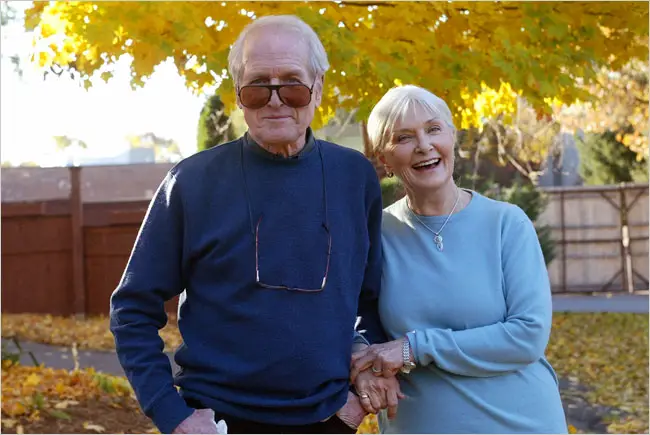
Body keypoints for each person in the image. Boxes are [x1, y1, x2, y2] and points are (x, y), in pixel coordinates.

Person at [110, 15, 401, 434]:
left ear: (317, 87)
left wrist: (355, 402)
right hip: (216, 421)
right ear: (239, 95)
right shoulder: (192, 181)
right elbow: (132, 308)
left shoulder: (354, 177)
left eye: (293, 85)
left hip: (330, 419)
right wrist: (172, 416)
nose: (275, 100)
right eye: (258, 86)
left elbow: (370, 301)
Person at [349, 84, 568, 434]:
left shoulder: (506, 223)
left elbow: (528, 334)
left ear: (452, 137)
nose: (424, 145)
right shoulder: (375, 234)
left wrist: (413, 347)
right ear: (384, 159)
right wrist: (363, 367)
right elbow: (348, 317)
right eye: (403, 137)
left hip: (522, 423)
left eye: (433, 129)